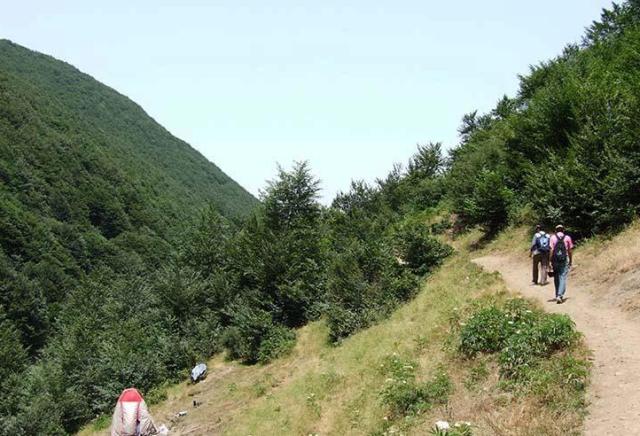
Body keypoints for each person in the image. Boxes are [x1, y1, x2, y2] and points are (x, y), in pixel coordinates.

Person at [549, 224, 574, 304]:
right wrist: (570, 260)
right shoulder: (567, 238)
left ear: (556, 230)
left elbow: (551, 250)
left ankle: (557, 294)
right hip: (564, 259)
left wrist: (550, 260)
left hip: (555, 260)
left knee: (556, 277)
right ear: (563, 230)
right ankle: (560, 295)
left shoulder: (552, 237)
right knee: (562, 277)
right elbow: (570, 251)